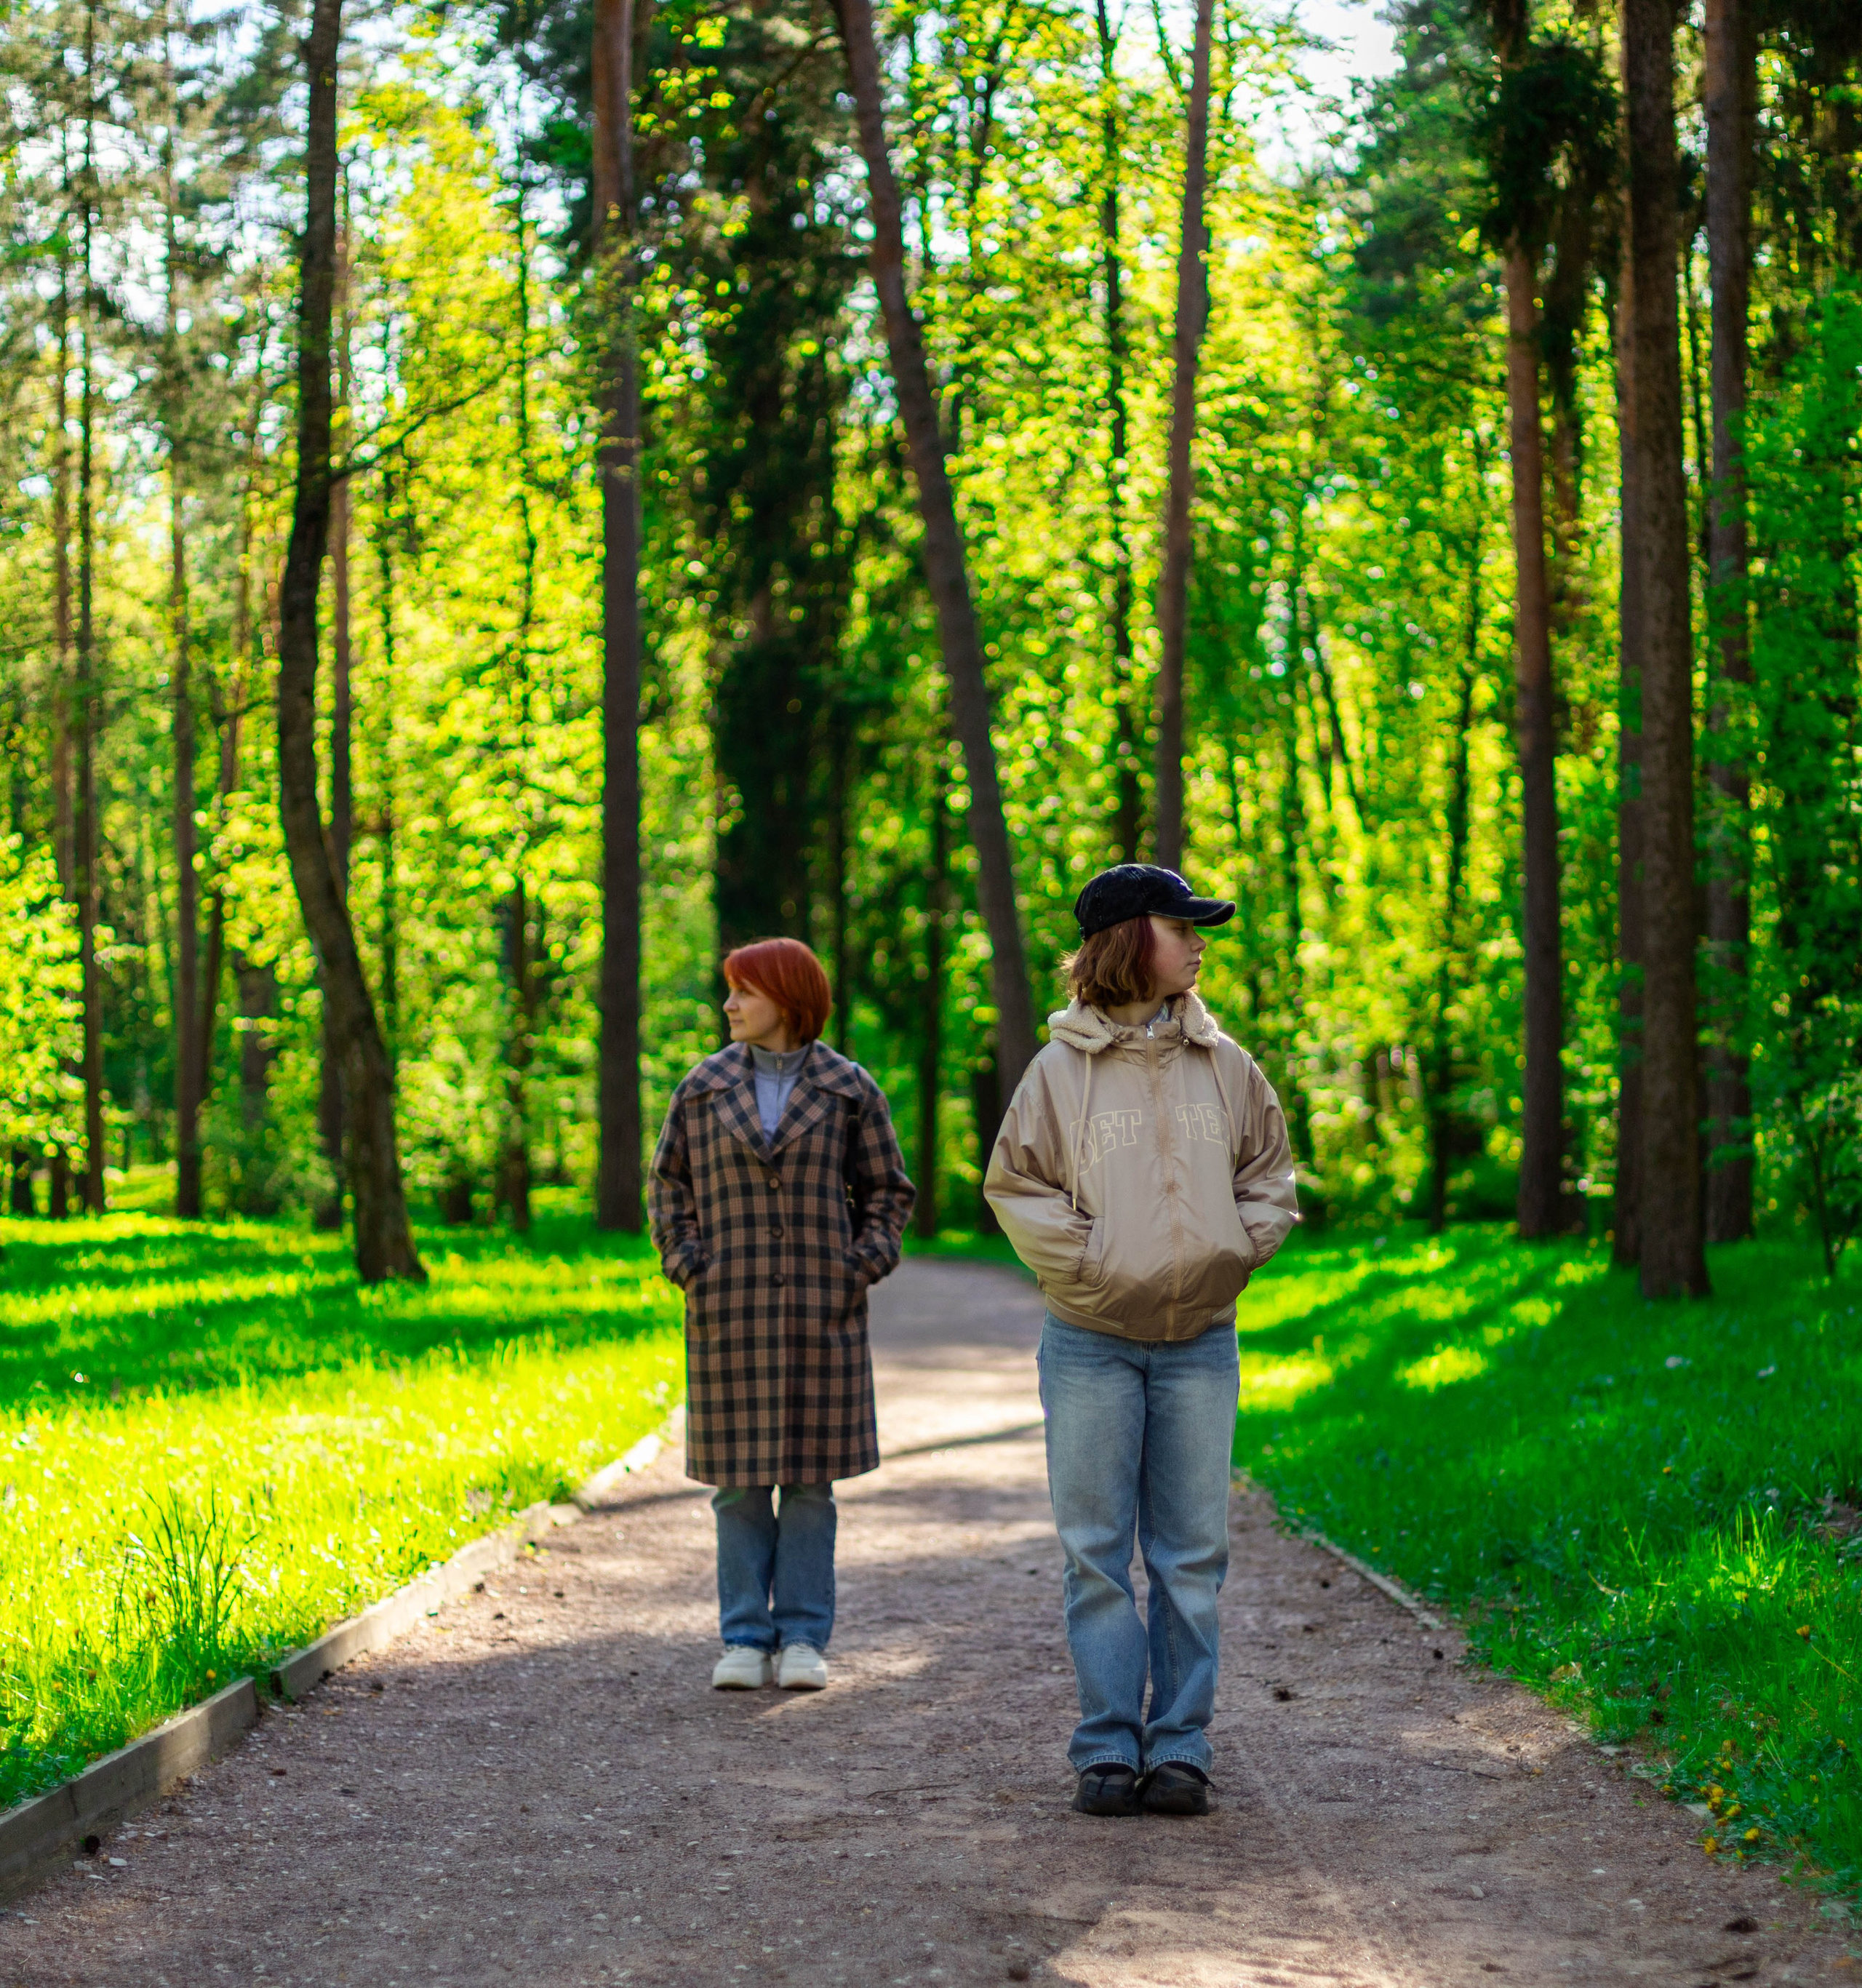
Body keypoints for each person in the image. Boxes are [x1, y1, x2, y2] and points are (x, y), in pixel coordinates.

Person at [985, 864, 1298, 1817]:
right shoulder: (1058, 1072)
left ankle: (1181, 1748)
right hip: (1090, 1344)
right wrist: (1094, 1267)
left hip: (1200, 1342)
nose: (1199, 943)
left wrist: (1228, 1253)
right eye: (1181, 926)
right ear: (1128, 939)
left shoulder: (1225, 1063)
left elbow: (1269, 1177)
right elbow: (1017, 1187)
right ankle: (1108, 1748)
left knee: (1190, 1558)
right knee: (1094, 1555)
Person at [648, 936, 914, 1692]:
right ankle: (743, 1637)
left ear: (788, 1000)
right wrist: (689, 1265)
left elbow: (888, 1192)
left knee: (808, 1484)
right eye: (730, 990)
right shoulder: (701, 1089)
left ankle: (802, 1637)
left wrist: (856, 1268)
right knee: (737, 1484)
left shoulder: (848, 1089)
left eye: (745, 991)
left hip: (818, 1316)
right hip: (729, 1314)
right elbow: (668, 1187)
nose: (729, 1004)